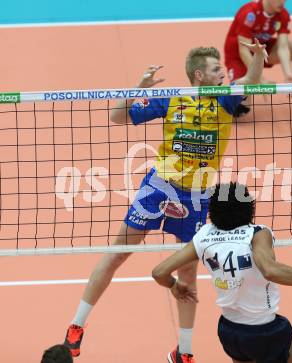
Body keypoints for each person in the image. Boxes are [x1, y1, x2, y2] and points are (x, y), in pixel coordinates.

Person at [63, 40, 267, 363]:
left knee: (187, 275)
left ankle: (183, 352)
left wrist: (257, 59)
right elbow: (117, 116)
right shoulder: (173, 99)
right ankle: (76, 325)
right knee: (117, 254)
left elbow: (252, 85)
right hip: (158, 188)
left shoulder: (226, 100)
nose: (222, 74)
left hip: (198, 197)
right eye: (216, 70)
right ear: (200, 74)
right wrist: (139, 86)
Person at [152, 182, 292, 363]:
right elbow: (271, 271)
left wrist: (174, 285)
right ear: (249, 208)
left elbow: (159, 272)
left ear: (213, 210)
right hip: (265, 331)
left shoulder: (203, 235)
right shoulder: (257, 233)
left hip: (229, 331)